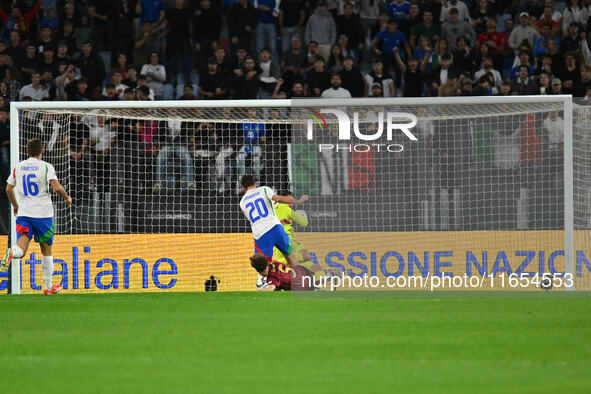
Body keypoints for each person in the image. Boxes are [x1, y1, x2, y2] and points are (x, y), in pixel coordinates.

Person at [1, 138, 72, 296]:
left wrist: (16, 205)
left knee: (21, 249)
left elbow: (8, 188)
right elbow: (56, 186)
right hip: (43, 215)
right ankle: (48, 287)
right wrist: (67, 198)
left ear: (27, 151)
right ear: (42, 150)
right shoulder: (46, 167)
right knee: (46, 250)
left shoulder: (18, 167)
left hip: (24, 214)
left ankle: (12, 251)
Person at [239, 174, 309, 267]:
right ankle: (298, 278)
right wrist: (298, 200)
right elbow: (279, 198)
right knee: (290, 257)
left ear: (243, 187)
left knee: (262, 264)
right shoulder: (264, 189)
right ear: (255, 183)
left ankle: (263, 281)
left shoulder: (242, 202)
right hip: (276, 228)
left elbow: (256, 220)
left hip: (261, 234)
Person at [249, 253, 315, 291]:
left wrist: (258, 291)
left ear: (260, 271)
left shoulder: (272, 277)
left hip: (303, 285)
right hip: (303, 271)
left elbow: (271, 289)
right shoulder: (274, 263)